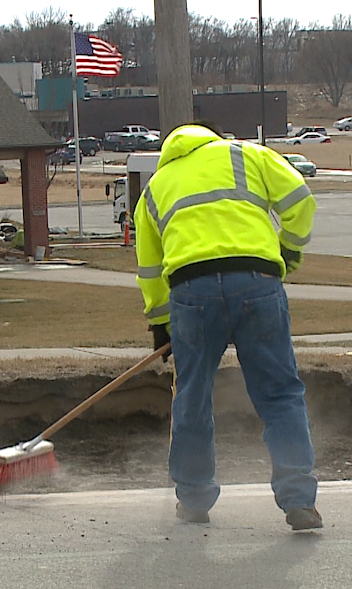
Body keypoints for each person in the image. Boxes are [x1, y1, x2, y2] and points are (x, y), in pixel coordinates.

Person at [133, 123, 321, 531]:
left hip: (191, 292)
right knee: (280, 394)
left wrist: (161, 325)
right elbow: (300, 200)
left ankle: (195, 498)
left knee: (192, 396)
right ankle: (299, 501)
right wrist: (288, 248)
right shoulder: (247, 155)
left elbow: (149, 268)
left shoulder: (155, 188)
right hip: (257, 281)